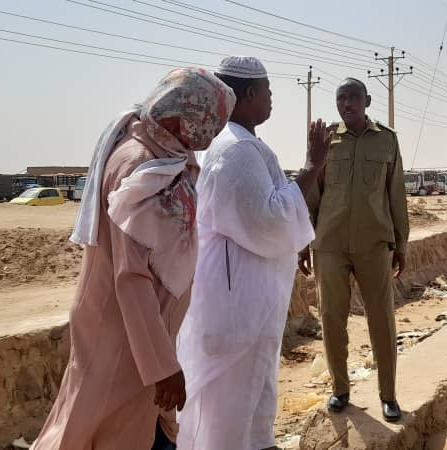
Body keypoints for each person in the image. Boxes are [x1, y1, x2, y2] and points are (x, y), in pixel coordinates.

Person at [31, 68, 235, 450]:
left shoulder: (167, 153)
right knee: (103, 426)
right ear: (189, 116)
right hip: (123, 331)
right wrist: (163, 367)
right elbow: (131, 275)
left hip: (143, 332)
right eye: (212, 121)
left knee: (112, 422)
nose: (214, 133)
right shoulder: (140, 164)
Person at [175, 56, 331, 450]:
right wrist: (312, 167)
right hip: (235, 312)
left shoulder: (243, 145)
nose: (272, 98)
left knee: (251, 412)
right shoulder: (234, 151)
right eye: (267, 91)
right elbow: (269, 221)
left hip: (247, 307)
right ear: (248, 95)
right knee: (229, 420)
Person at [300, 77, 409, 422]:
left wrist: (400, 243)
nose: (347, 104)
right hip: (329, 244)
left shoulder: (387, 140)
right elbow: (313, 192)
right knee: (332, 318)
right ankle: (340, 390)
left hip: (374, 244)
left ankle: (388, 395)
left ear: (367, 100)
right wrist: (305, 238)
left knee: (382, 320)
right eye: (341, 98)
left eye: (353, 97)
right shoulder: (326, 140)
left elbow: (396, 195)